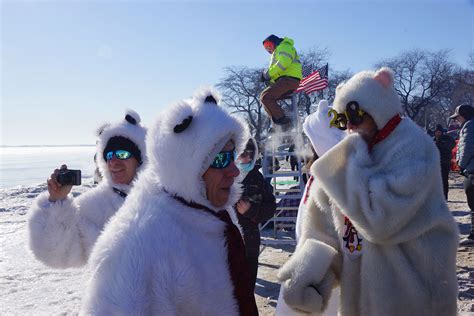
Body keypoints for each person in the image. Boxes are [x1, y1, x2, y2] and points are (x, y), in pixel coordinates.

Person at [278, 68, 459, 315]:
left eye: (356, 115)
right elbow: (324, 226)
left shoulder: (415, 149)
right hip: (360, 300)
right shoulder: (352, 155)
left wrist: (345, 163)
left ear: (379, 105)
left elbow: (380, 221)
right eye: (342, 120)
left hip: (412, 296)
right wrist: (309, 273)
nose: (350, 127)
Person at [81, 88, 258, 315]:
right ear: (187, 166)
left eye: (232, 156)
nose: (234, 171)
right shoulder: (141, 246)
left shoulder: (209, 210)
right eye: (221, 159)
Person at [28, 110, 147, 268]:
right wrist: (56, 203)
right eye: (109, 155)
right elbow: (58, 255)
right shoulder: (94, 205)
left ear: (141, 160)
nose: (113, 161)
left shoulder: (163, 198)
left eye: (122, 154)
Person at [235, 138, 276, 293]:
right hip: (223, 243)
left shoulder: (257, 178)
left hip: (250, 244)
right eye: (244, 153)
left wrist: (251, 210)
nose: (248, 158)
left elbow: (271, 207)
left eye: (251, 154)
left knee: (247, 290)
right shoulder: (223, 176)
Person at [260, 34, 302, 131]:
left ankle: (283, 121)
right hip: (284, 80)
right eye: (266, 48)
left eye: (269, 45)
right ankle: (278, 122)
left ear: (275, 41)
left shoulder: (284, 46)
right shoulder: (277, 51)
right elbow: (279, 71)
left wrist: (268, 74)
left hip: (289, 79)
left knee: (266, 97)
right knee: (264, 98)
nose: (268, 49)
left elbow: (284, 63)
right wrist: (269, 81)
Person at [451, 103, 474, 245]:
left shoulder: (469, 126)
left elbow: (466, 148)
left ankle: (473, 236)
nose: (456, 120)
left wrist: (460, 165)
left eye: (457, 117)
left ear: (463, 115)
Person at [433, 124, 455, 199]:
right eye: (436, 132)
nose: (438, 133)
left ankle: (444, 197)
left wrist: (440, 144)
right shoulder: (433, 140)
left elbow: (451, 145)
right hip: (435, 163)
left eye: (439, 132)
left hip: (445, 162)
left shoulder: (447, 138)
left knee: (444, 180)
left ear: (442, 132)